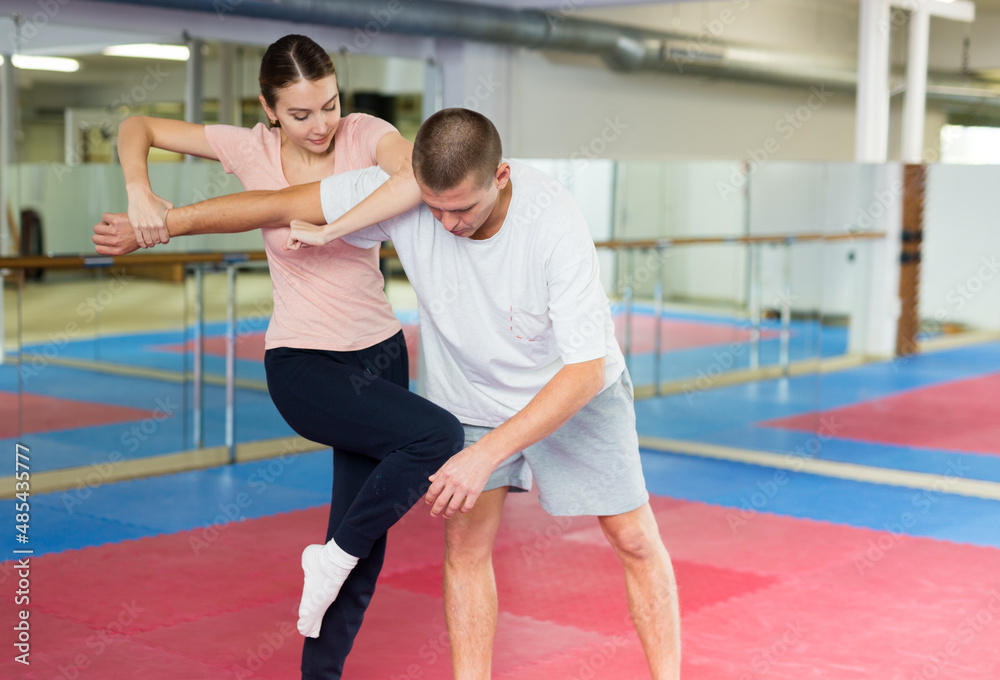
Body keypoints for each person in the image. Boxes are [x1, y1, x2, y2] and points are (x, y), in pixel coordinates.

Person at [95, 108, 681, 680]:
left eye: (463, 209)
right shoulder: (402, 195)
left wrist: (481, 457)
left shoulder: (552, 217)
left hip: (569, 389)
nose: (447, 224)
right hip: (473, 396)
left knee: (633, 539)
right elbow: (277, 204)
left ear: (501, 176)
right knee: (467, 549)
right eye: (435, 208)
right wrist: (164, 226)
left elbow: (583, 370)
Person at [108, 34, 464, 680]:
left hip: (379, 354)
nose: (321, 124)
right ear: (270, 110)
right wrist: (141, 192)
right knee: (436, 438)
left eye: (329, 105)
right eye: (301, 114)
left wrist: (331, 225)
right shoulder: (250, 148)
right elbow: (138, 125)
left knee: (362, 548)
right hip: (302, 362)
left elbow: (416, 172)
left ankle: (318, 661)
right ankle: (326, 560)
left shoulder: (364, 134)